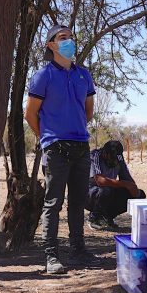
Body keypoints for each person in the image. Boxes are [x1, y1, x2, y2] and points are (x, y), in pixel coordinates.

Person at [25, 23, 98, 274]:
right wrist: (47, 138)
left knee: (78, 201)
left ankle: (79, 251)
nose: (69, 41)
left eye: (70, 37)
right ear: (51, 45)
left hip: (80, 145)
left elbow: (88, 111)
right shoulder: (43, 75)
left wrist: (74, 128)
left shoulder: (83, 75)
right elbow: (31, 114)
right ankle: (51, 256)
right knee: (53, 202)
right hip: (56, 148)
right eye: (62, 37)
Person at [86, 140, 146, 230]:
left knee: (140, 194)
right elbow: (100, 181)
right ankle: (94, 217)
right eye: (112, 157)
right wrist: (125, 184)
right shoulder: (95, 155)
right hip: (89, 195)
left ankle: (108, 217)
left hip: (108, 193)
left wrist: (133, 189)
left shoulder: (119, 158)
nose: (114, 160)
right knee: (106, 190)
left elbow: (127, 179)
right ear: (105, 153)